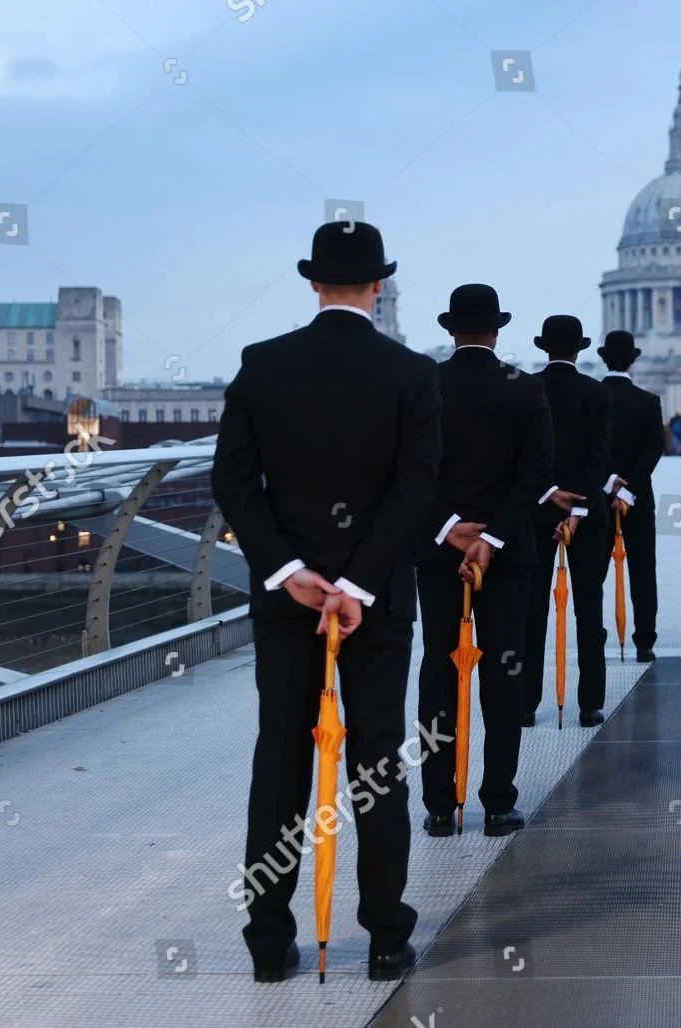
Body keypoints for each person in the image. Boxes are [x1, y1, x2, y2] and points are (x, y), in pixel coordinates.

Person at [214, 221, 438, 984]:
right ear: (379, 287)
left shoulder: (262, 365)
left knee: (280, 754)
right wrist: (359, 584)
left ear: (313, 283)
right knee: (377, 761)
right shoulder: (412, 374)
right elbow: (416, 489)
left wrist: (290, 571)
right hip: (374, 605)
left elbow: (234, 484)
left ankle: (269, 940)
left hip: (288, 603)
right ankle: (383, 937)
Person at [417, 284, 552, 839]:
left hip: (438, 552)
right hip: (509, 554)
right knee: (503, 672)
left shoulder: (425, 385)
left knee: (438, 671)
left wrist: (451, 530)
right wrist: (492, 536)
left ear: (451, 330)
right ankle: (497, 803)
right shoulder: (524, 388)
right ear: (498, 330)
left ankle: (439, 807)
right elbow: (538, 472)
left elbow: (407, 471)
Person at [521, 315, 612, 727]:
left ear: (544, 348)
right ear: (580, 349)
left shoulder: (527, 390)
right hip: (589, 514)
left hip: (535, 513)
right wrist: (578, 510)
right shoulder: (597, 393)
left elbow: (524, 458)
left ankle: (525, 703)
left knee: (531, 611)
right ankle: (590, 703)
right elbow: (598, 459)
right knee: (589, 610)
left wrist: (547, 497)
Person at [599, 331, 664, 662]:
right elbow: (654, 450)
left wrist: (610, 482)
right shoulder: (649, 401)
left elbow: (591, 450)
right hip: (638, 498)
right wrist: (629, 488)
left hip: (597, 497)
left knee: (592, 573)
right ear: (634, 360)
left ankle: (594, 635)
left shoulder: (592, 397)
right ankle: (644, 641)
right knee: (643, 570)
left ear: (602, 357)